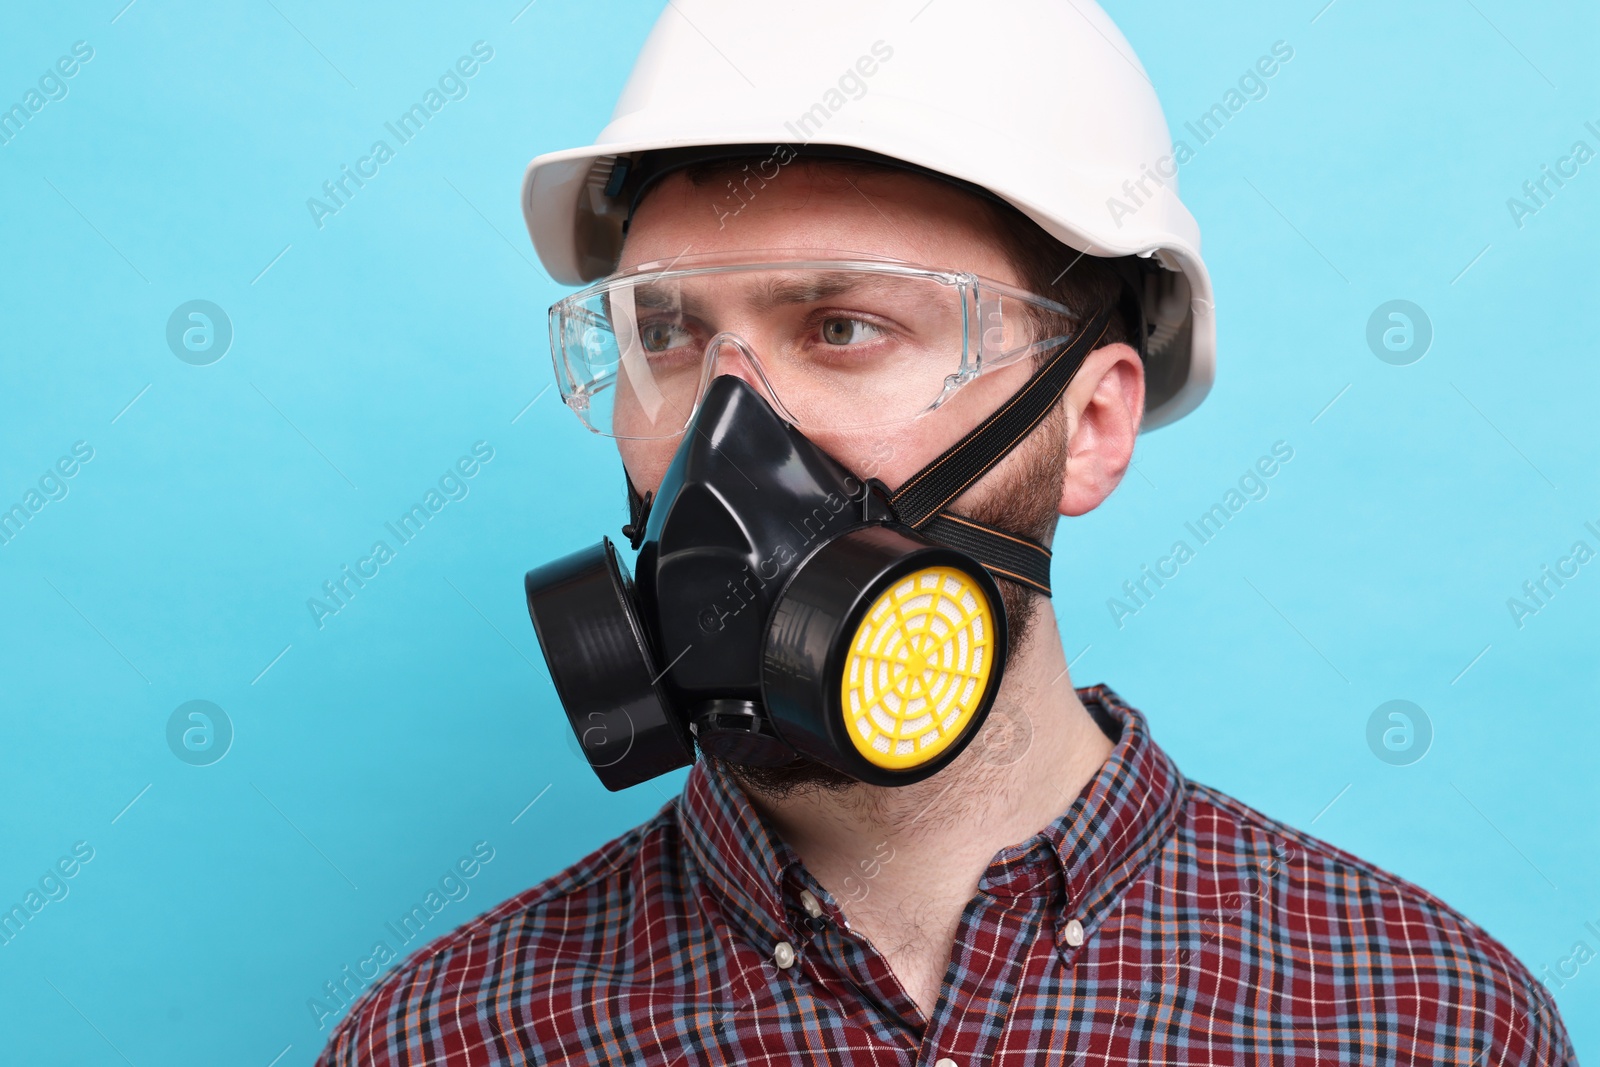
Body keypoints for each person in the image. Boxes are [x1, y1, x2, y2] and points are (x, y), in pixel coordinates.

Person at [318, 1, 1576, 1063]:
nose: (722, 426)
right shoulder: (445, 1036)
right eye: (665, 335)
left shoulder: (1424, 1019)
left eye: (845, 328)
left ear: (1088, 423)